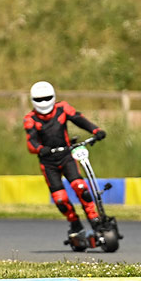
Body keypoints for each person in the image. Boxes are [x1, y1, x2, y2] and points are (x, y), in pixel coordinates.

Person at [23, 80, 107, 239]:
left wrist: (96, 130)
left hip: (67, 156)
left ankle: (94, 219)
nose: (43, 102)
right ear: (33, 101)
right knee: (60, 199)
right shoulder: (30, 118)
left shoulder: (62, 108)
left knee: (80, 187)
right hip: (48, 162)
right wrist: (41, 149)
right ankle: (75, 223)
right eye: (39, 100)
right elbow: (31, 143)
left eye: (46, 98)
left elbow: (79, 119)